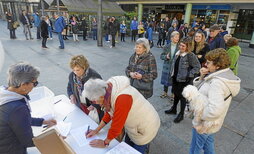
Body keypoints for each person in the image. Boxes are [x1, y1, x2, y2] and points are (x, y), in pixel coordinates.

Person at [182, 48, 241, 154]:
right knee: (208, 146)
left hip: (204, 124)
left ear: (217, 65)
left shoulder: (217, 83)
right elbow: (203, 89)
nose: (206, 65)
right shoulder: (222, 75)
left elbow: (214, 110)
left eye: (208, 63)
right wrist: (202, 76)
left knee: (195, 148)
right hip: (213, 124)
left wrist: (199, 117)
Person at [84, 76, 160, 154]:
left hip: (145, 126)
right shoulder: (107, 90)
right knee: (127, 147)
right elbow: (109, 113)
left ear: (101, 96)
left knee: (138, 149)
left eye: (94, 101)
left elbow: (117, 126)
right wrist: (96, 130)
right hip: (134, 125)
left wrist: (105, 143)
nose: (95, 103)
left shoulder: (122, 99)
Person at [0, 62, 57, 153]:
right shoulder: (17, 108)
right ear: (23, 85)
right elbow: (28, 141)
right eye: (35, 83)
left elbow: (18, 120)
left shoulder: (5, 94)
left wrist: (43, 121)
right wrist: (54, 140)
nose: (35, 86)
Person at [165, 38, 200, 123]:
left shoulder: (190, 55)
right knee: (176, 94)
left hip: (184, 80)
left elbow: (197, 67)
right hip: (176, 78)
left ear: (188, 47)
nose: (181, 47)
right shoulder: (178, 53)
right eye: (180, 45)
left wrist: (189, 74)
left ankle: (181, 114)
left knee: (183, 98)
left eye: (183, 46)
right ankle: (174, 109)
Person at [67, 55, 104, 123]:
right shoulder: (72, 75)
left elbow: (102, 94)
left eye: (78, 70)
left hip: (93, 110)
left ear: (84, 67)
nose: (75, 72)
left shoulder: (94, 76)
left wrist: (94, 105)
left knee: (92, 126)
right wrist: (71, 95)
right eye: (73, 70)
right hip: (80, 106)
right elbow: (69, 87)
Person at [160, 31, 180, 99]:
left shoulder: (180, 47)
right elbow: (161, 56)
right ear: (171, 38)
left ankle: (172, 93)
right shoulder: (166, 46)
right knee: (166, 80)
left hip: (175, 67)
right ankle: (165, 92)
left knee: (174, 80)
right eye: (176, 37)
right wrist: (166, 57)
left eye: (178, 37)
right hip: (167, 66)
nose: (177, 38)